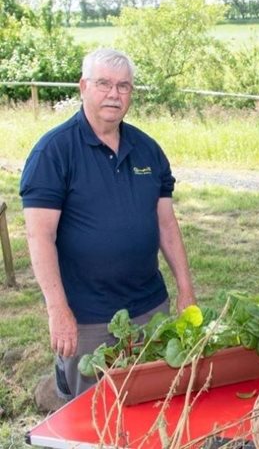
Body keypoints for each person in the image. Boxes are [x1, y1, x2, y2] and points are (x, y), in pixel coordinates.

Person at [20, 48, 196, 400]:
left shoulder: (148, 150)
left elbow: (166, 225)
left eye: (124, 86)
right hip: (87, 318)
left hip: (150, 308)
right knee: (92, 416)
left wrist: (185, 289)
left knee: (155, 406)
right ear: (83, 86)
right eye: (104, 84)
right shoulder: (53, 152)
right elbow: (40, 235)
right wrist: (58, 310)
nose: (114, 94)